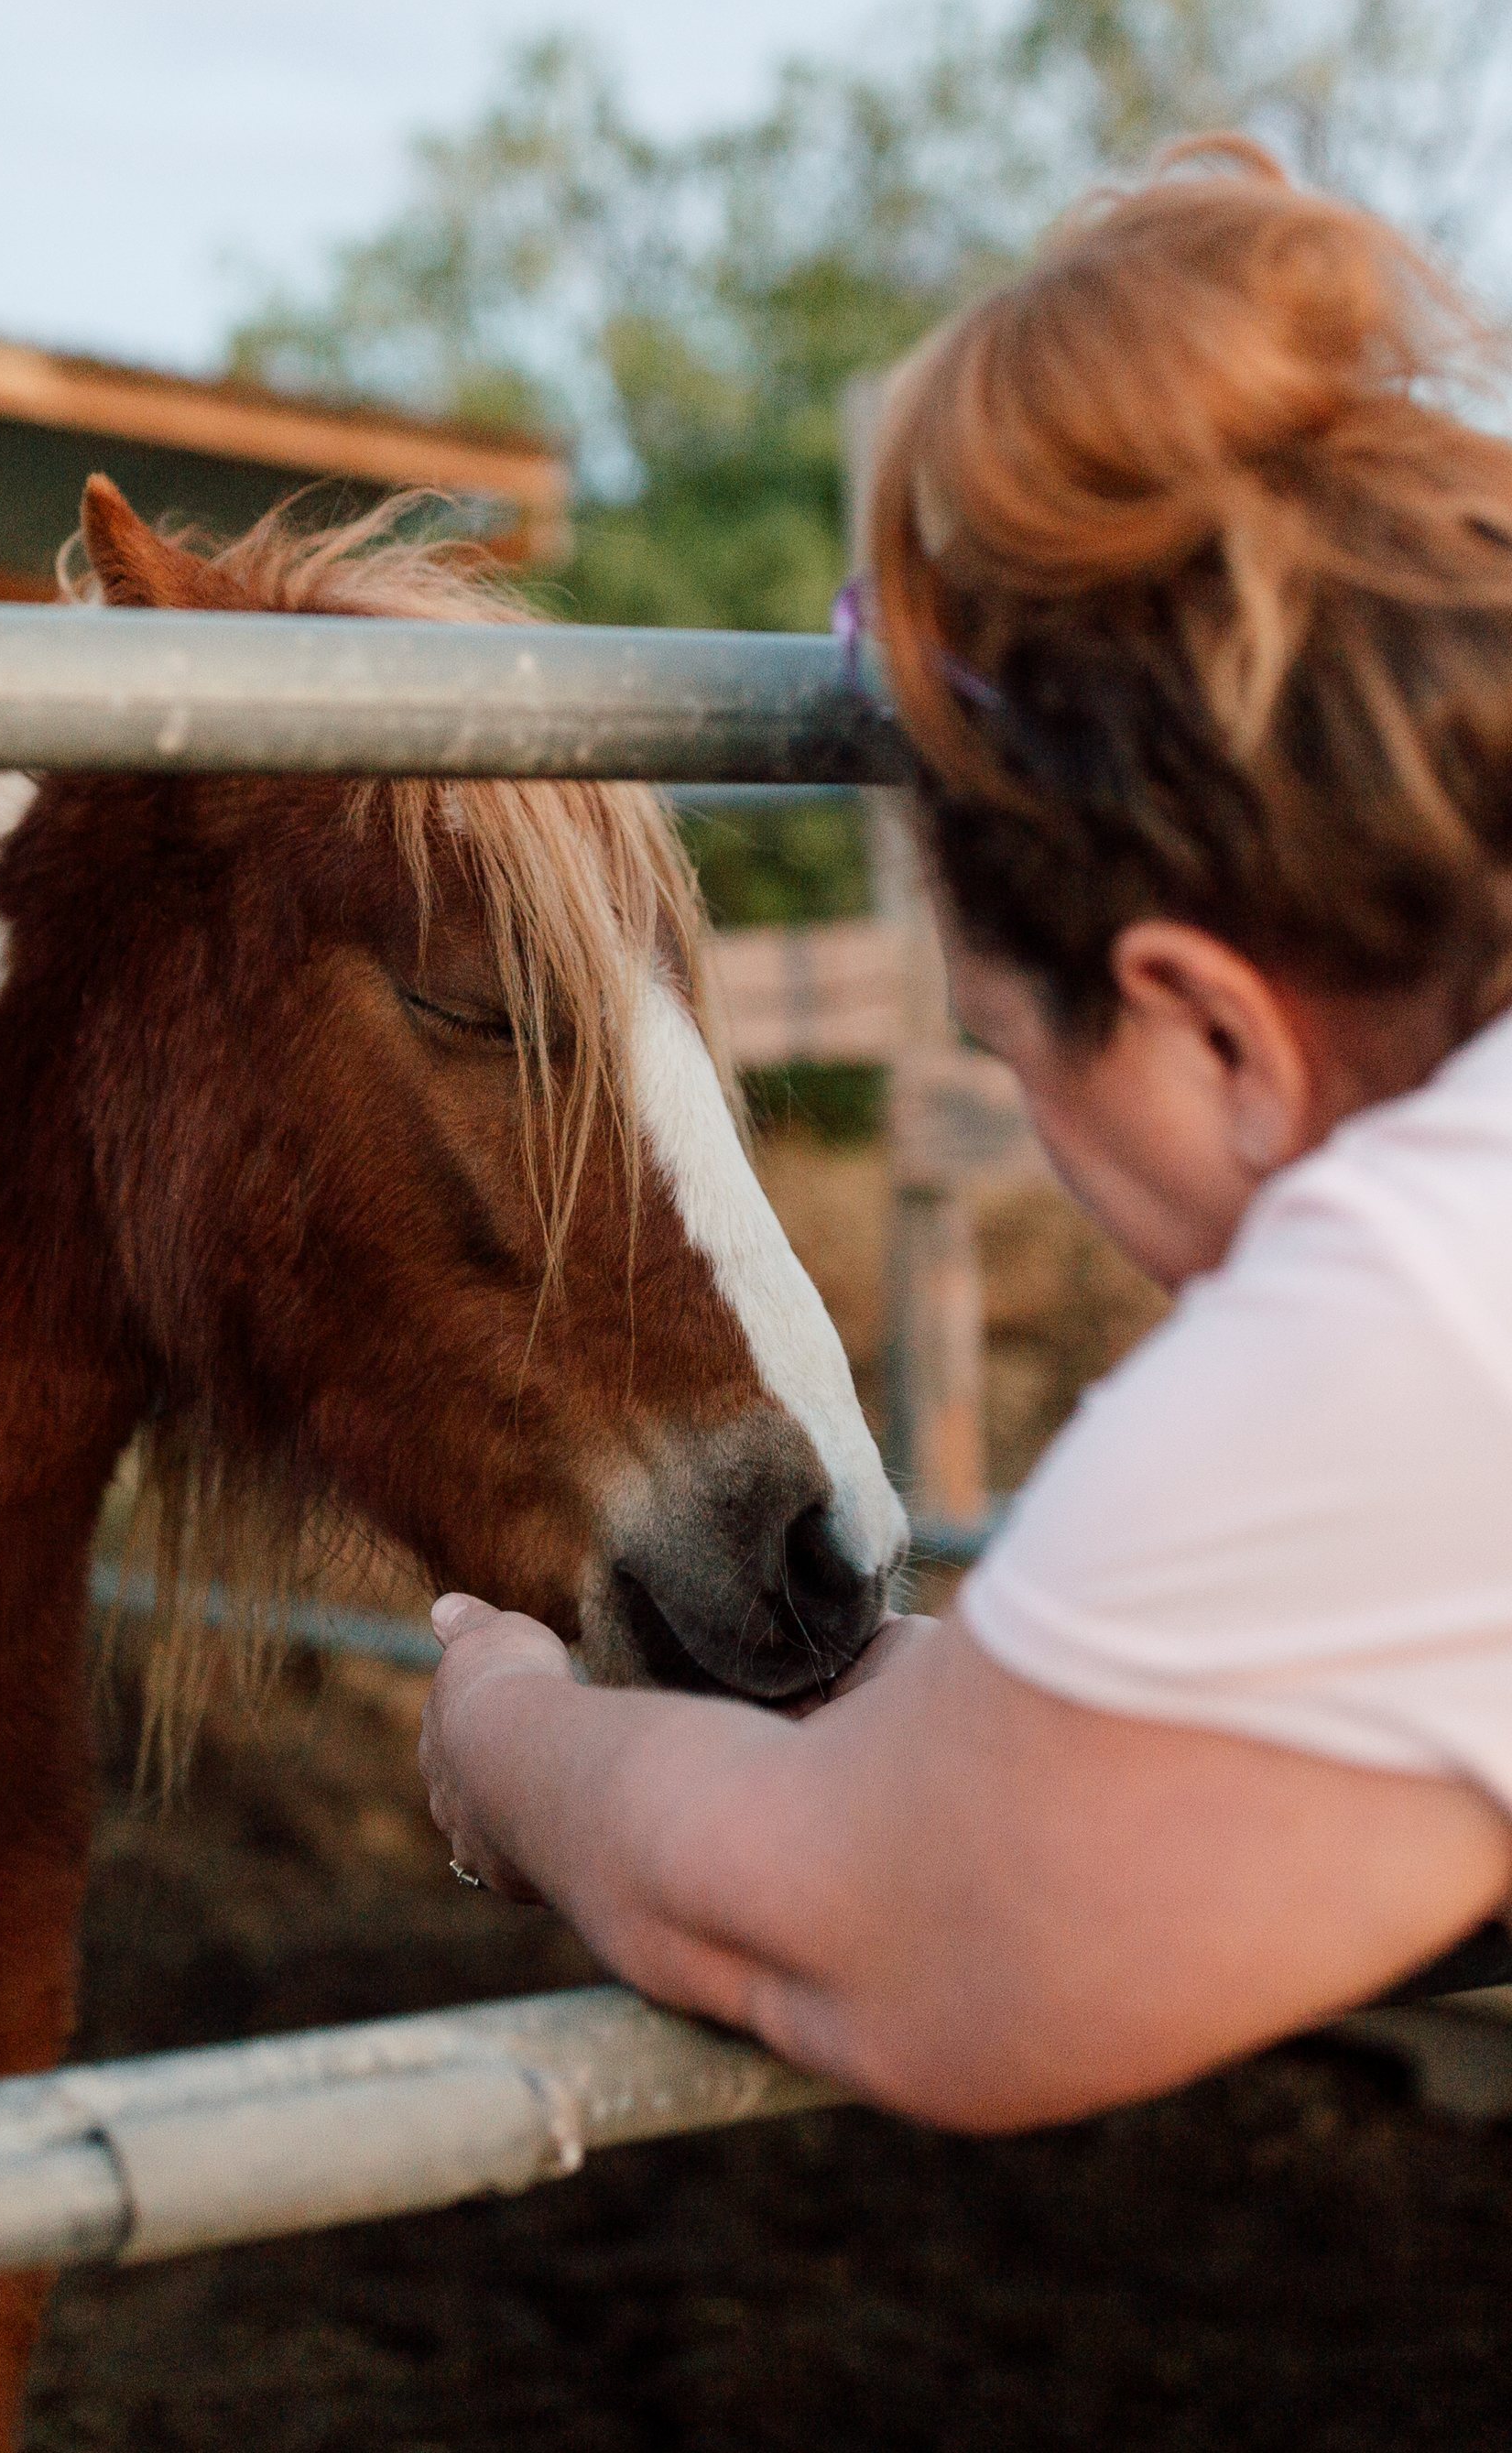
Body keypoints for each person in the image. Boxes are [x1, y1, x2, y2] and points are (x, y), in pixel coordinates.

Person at [419, 141, 1512, 2131]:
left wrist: (506, 1735)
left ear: (1207, 1027)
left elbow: (854, 1940)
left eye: (1013, 1056)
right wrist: (964, 1706)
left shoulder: (1418, 1305)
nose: (1042, 1131)